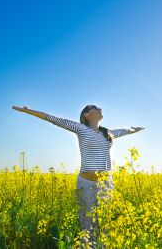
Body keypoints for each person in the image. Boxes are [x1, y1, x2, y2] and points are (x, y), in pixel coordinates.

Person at [12, 104, 145, 248]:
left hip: (106, 184)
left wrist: (134, 129)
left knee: (105, 223)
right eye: (94, 107)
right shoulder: (81, 129)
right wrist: (28, 111)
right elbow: (53, 119)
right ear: (86, 115)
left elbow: (125, 130)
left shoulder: (107, 133)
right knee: (87, 225)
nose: (99, 108)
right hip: (86, 184)